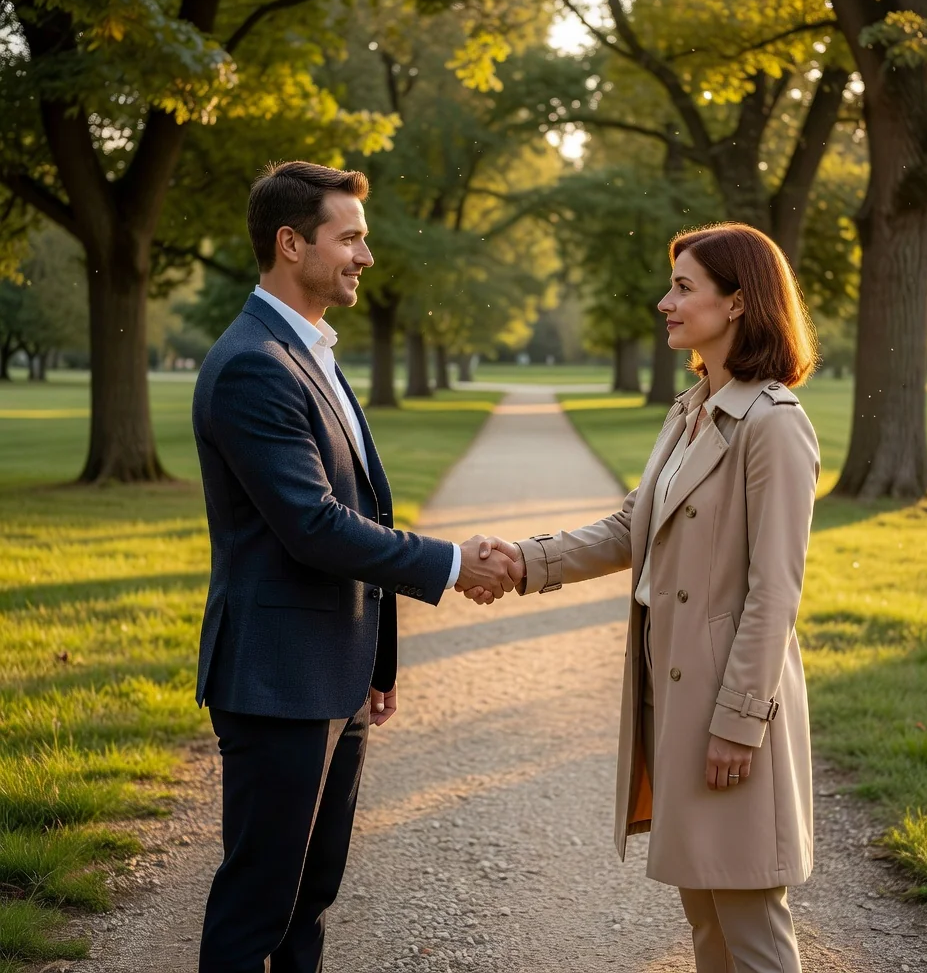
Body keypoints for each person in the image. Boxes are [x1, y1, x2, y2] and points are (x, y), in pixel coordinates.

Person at [191, 160, 517, 973]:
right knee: (257, 907)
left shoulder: (312, 351)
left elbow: (361, 507)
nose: (366, 256)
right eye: (350, 238)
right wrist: (451, 563)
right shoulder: (252, 365)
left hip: (331, 672)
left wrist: (376, 657)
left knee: (310, 901)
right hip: (275, 679)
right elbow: (312, 526)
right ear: (291, 243)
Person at [472, 222, 820, 973]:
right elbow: (634, 524)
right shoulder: (692, 408)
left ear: (736, 303)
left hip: (732, 708)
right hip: (678, 700)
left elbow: (775, 591)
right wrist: (524, 561)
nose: (665, 302)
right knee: (705, 913)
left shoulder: (774, 426)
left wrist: (738, 722)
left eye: (683, 287)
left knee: (751, 919)